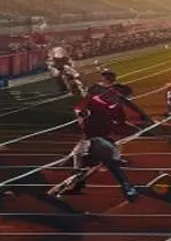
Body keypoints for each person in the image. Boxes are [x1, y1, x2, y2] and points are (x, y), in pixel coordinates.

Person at [56, 70, 150, 201]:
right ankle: (128, 189)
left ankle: (127, 188)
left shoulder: (101, 101)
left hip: (96, 138)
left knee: (92, 163)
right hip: (96, 137)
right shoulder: (99, 99)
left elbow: (84, 110)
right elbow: (83, 110)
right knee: (96, 162)